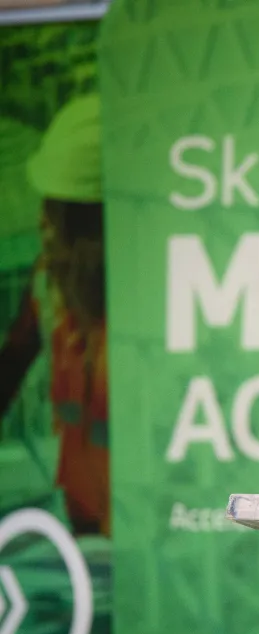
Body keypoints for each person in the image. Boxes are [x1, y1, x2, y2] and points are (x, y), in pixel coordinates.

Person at [0, 94, 108, 535]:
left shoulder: (143, 302)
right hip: (79, 510)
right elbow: (12, 361)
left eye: (59, 212)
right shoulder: (49, 284)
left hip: (133, 523)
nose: (43, 222)